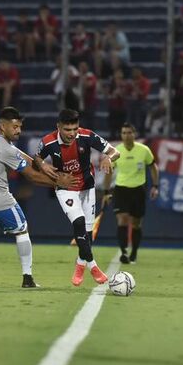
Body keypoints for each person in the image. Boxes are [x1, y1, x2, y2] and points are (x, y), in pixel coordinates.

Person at [0, 107, 78, 288]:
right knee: (22, 230)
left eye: (20, 127)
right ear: (3, 126)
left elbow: (21, 156)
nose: (19, 130)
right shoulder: (6, 149)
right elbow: (32, 176)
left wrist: (40, 162)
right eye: (15, 126)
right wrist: (59, 182)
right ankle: (28, 278)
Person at [34, 109, 120, 286]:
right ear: (58, 127)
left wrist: (108, 158)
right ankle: (93, 266)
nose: (72, 133)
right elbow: (36, 157)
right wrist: (42, 164)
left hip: (87, 187)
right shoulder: (48, 142)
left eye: (75, 128)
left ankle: (80, 265)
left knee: (87, 235)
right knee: (78, 223)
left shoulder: (87, 136)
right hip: (65, 188)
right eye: (67, 129)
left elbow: (115, 151)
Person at [102, 123, 159, 264]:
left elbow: (153, 167)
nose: (126, 135)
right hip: (121, 189)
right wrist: (106, 191)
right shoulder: (116, 151)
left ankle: (134, 252)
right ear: (121, 135)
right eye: (123, 133)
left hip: (138, 189)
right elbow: (109, 172)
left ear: (134, 134)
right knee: (122, 219)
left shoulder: (144, 150)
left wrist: (155, 186)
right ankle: (124, 252)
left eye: (129, 133)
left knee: (136, 223)